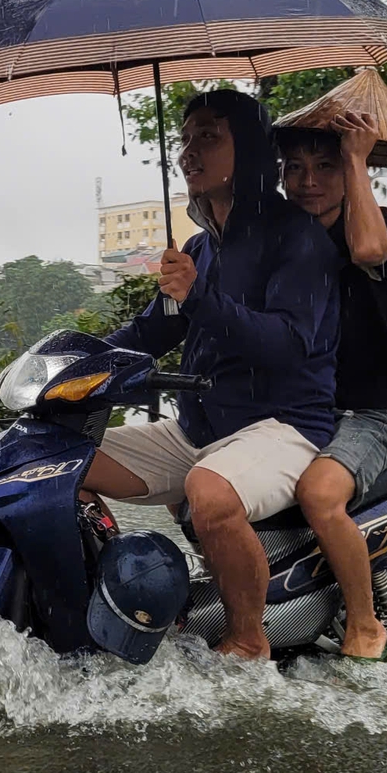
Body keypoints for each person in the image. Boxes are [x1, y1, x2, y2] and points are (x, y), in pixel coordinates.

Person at [85, 89, 341, 661]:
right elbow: (151, 334)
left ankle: (248, 640)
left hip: (283, 425)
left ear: (248, 150)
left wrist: (199, 296)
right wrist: (74, 361)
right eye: (185, 139)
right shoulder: (199, 245)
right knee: (64, 462)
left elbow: (290, 343)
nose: (188, 152)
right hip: (200, 427)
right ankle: (115, 603)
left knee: (210, 490)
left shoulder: (296, 237)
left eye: (209, 136)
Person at [277, 111, 387, 661]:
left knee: (318, 494)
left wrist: (358, 155)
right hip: (301, 411)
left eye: (325, 167)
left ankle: (363, 623)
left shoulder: (380, 224)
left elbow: (367, 251)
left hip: (368, 413)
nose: (309, 180)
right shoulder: (284, 241)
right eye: (295, 168)